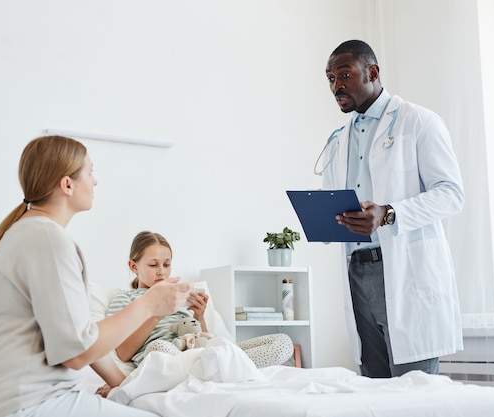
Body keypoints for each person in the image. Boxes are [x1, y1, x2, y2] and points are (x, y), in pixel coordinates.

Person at [0, 136, 191, 417]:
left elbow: (79, 339)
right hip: (23, 404)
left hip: (0, 402)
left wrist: (124, 387)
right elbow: (76, 353)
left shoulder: (28, 233)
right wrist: (149, 305)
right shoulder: (47, 240)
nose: (95, 182)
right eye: (90, 172)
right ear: (67, 184)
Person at [319, 40, 464, 378]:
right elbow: (333, 202)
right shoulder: (339, 139)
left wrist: (388, 213)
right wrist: (324, 219)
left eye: (344, 74)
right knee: (375, 387)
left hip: (403, 269)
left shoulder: (418, 121)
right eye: (330, 79)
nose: (336, 86)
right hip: (357, 270)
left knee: (415, 392)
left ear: (372, 72)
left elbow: (451, 194)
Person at [105, 231, 294, 370]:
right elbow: (123, 353)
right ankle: (221, 369)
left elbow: (204, 339)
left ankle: (214, 369)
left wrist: (200, 315)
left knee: (283, 342)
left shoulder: (179, 295)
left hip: (203, 354)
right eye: (153, 265)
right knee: (159, 349)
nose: (161, 271)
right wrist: (155, 314)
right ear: (133, 266)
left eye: (167, 264)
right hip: (170, 359)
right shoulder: (124, 299)